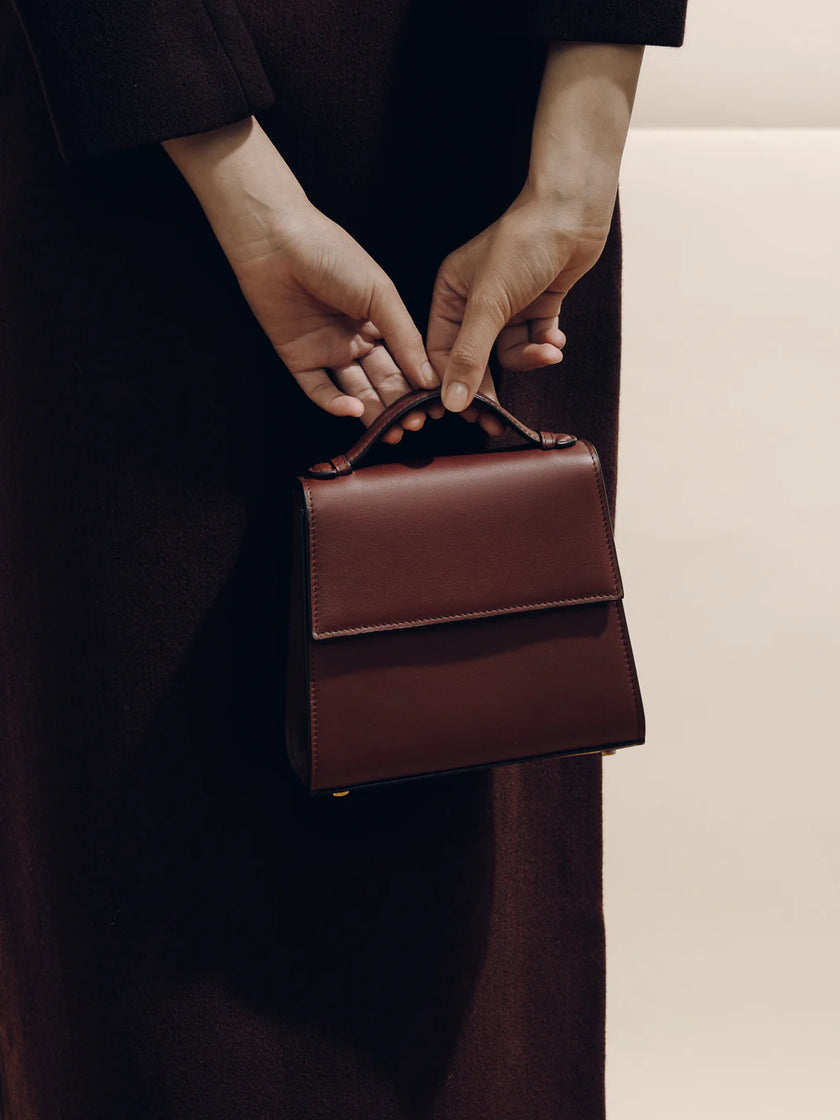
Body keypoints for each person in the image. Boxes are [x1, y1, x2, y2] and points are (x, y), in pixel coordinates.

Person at [0, 2, 688, 1117]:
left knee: (469, 889)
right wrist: (234, 174)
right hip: (140, 134)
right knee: (154, 889)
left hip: (491, 141)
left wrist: (577, 157)